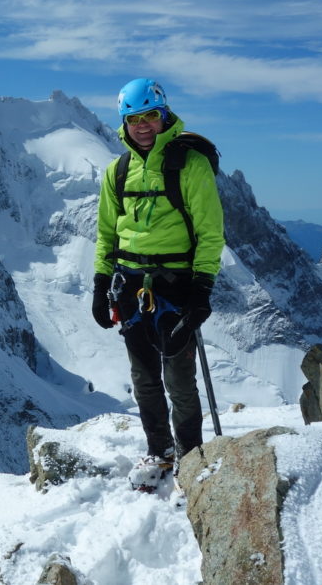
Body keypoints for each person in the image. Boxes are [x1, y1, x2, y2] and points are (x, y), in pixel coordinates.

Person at [90, 78, 225, 481]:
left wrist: (201, 289)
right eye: (134, 118)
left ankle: (190, 455)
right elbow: (106, 235)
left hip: (177, 285)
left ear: (164, 115)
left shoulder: (190, 164)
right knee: (144, 377)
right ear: (124, 122)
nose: (143, 125)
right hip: (130, 285)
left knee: (179, 379)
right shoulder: (117, 172)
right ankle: (159, 451)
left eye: (150, 115)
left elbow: (210, 232)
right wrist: (100, 285)